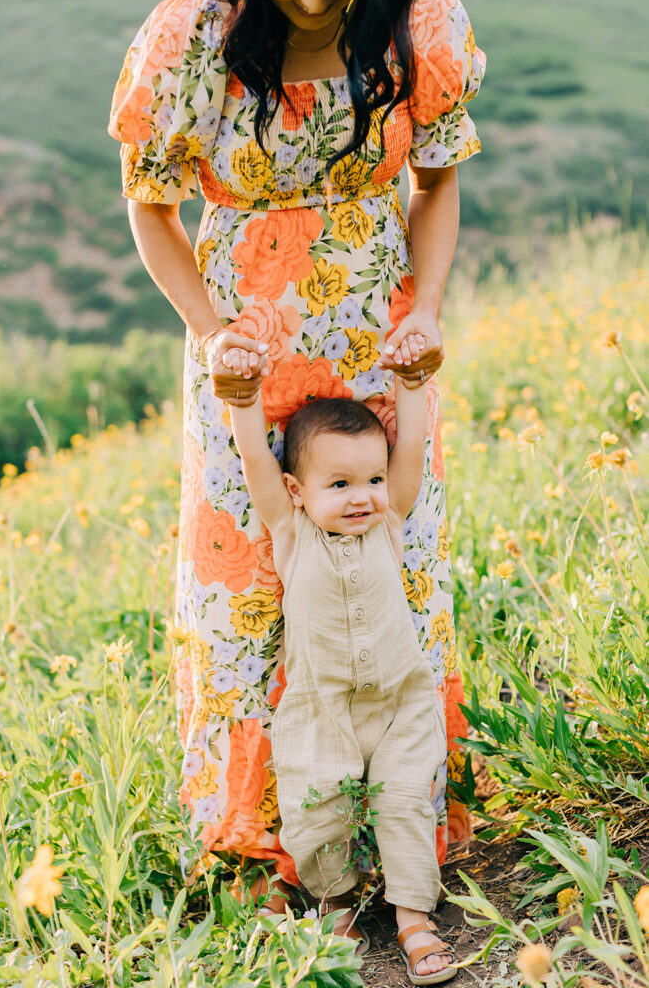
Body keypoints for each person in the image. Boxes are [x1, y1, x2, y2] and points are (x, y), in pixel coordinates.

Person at [108, 0, 485, 980]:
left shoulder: (418, 16)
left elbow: (437, 177)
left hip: (375, 326)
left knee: (386, 556)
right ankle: (269, 856)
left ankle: (393, 839)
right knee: (247, 584)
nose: (314, 0)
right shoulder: (190, 33)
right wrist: (212, 337)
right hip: (244, 338)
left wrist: (427, 309)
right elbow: (152, 207)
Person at [223, 344, 458, 981]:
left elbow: (409, 453)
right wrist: (244, 402)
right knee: (316, 807)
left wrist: (410, 387)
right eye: (340, 484)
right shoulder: (292, 530)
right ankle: (337, 904)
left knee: (406, 801)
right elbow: (253, 461)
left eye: (372, 480)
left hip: (399, 701)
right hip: (321, 706)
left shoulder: (389, 522)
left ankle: (413, 915)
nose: (362, 497)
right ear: (297, 491)